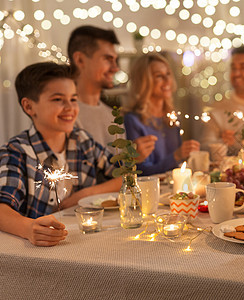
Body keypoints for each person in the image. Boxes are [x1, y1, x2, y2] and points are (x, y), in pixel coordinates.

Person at [0, 62, 122, 246]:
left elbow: (123, 177)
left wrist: (86, 194)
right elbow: (2, 209)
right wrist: (28, 228)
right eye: (58, 99)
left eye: (73, 99)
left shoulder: (82, 141)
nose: (70, 108)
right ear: (29, 107)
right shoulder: (17, 152)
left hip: (83, 242)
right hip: (36, 253)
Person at [68, 25, 155, 161]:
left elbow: (116, 173)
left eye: (115, 60)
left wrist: (131, 158)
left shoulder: (112, 116)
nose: (115, 68)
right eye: (108, 59)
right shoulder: (66, 115)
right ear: (80, 60)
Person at [123, 53, 200, 175]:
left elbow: (178, 165)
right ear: (144, 81)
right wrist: (177, 155)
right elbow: (141, 172)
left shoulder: (172, 118)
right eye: (159, 76)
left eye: (168, 74)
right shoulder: (133, 121)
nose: (167, 80)